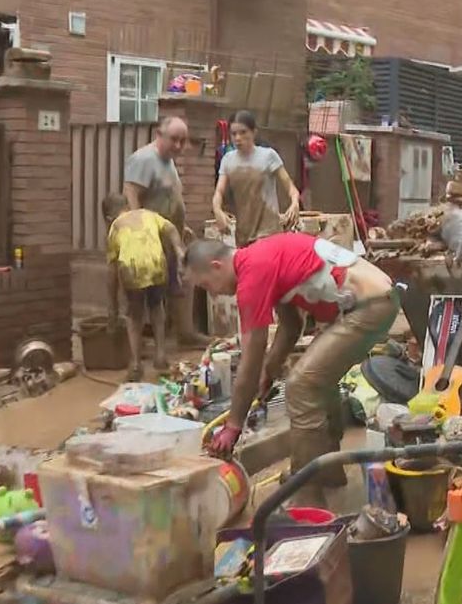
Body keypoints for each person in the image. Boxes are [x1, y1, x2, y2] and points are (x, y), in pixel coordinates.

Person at [185, 233, 399, 507]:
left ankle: (307, 495)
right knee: (319, 382)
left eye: (207, 285)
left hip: (369, 304)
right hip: (374, 299)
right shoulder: (261, 257)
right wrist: (270, 370)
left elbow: (251, 357)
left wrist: (233, 425)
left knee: (301, 386)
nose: (213, 294)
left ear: (217, 265)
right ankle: (327, 473)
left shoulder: (252, 274)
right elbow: (291, 326)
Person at [124, 117, 208, 347]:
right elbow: (131, 196)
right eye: (174, 140)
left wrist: (183, 225)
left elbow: (170, 196)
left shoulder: (167, 160)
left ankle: (185, 334)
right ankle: (138, 346)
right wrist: (141, 235)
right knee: (148, 295)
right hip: (151, 240)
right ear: (159, 135)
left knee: (180, 283)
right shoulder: (143, 160)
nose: (180, 146)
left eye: (183, 141)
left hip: (171, 236)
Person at [103, 194, 186, 381]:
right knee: (157, 307)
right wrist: (178, 248)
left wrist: (113, 306)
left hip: (132, 269)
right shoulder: (148, 214)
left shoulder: (115, 227)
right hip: (157, 264)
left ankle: (135, 364)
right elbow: (171, 228)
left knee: (134, 315)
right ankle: (160, 355)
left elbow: (111, 272)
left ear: (108, 218)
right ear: (127, 205)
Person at [212, 110, 301, 248]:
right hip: (244, 234)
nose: (238, 138)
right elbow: (219, 192)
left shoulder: (268, 156)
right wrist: (217, 210)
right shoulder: (228, 160)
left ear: (254, 132)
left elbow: (290, 188)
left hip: (269, 231)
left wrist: (294, 203)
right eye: (234, 134)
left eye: (243, 132)